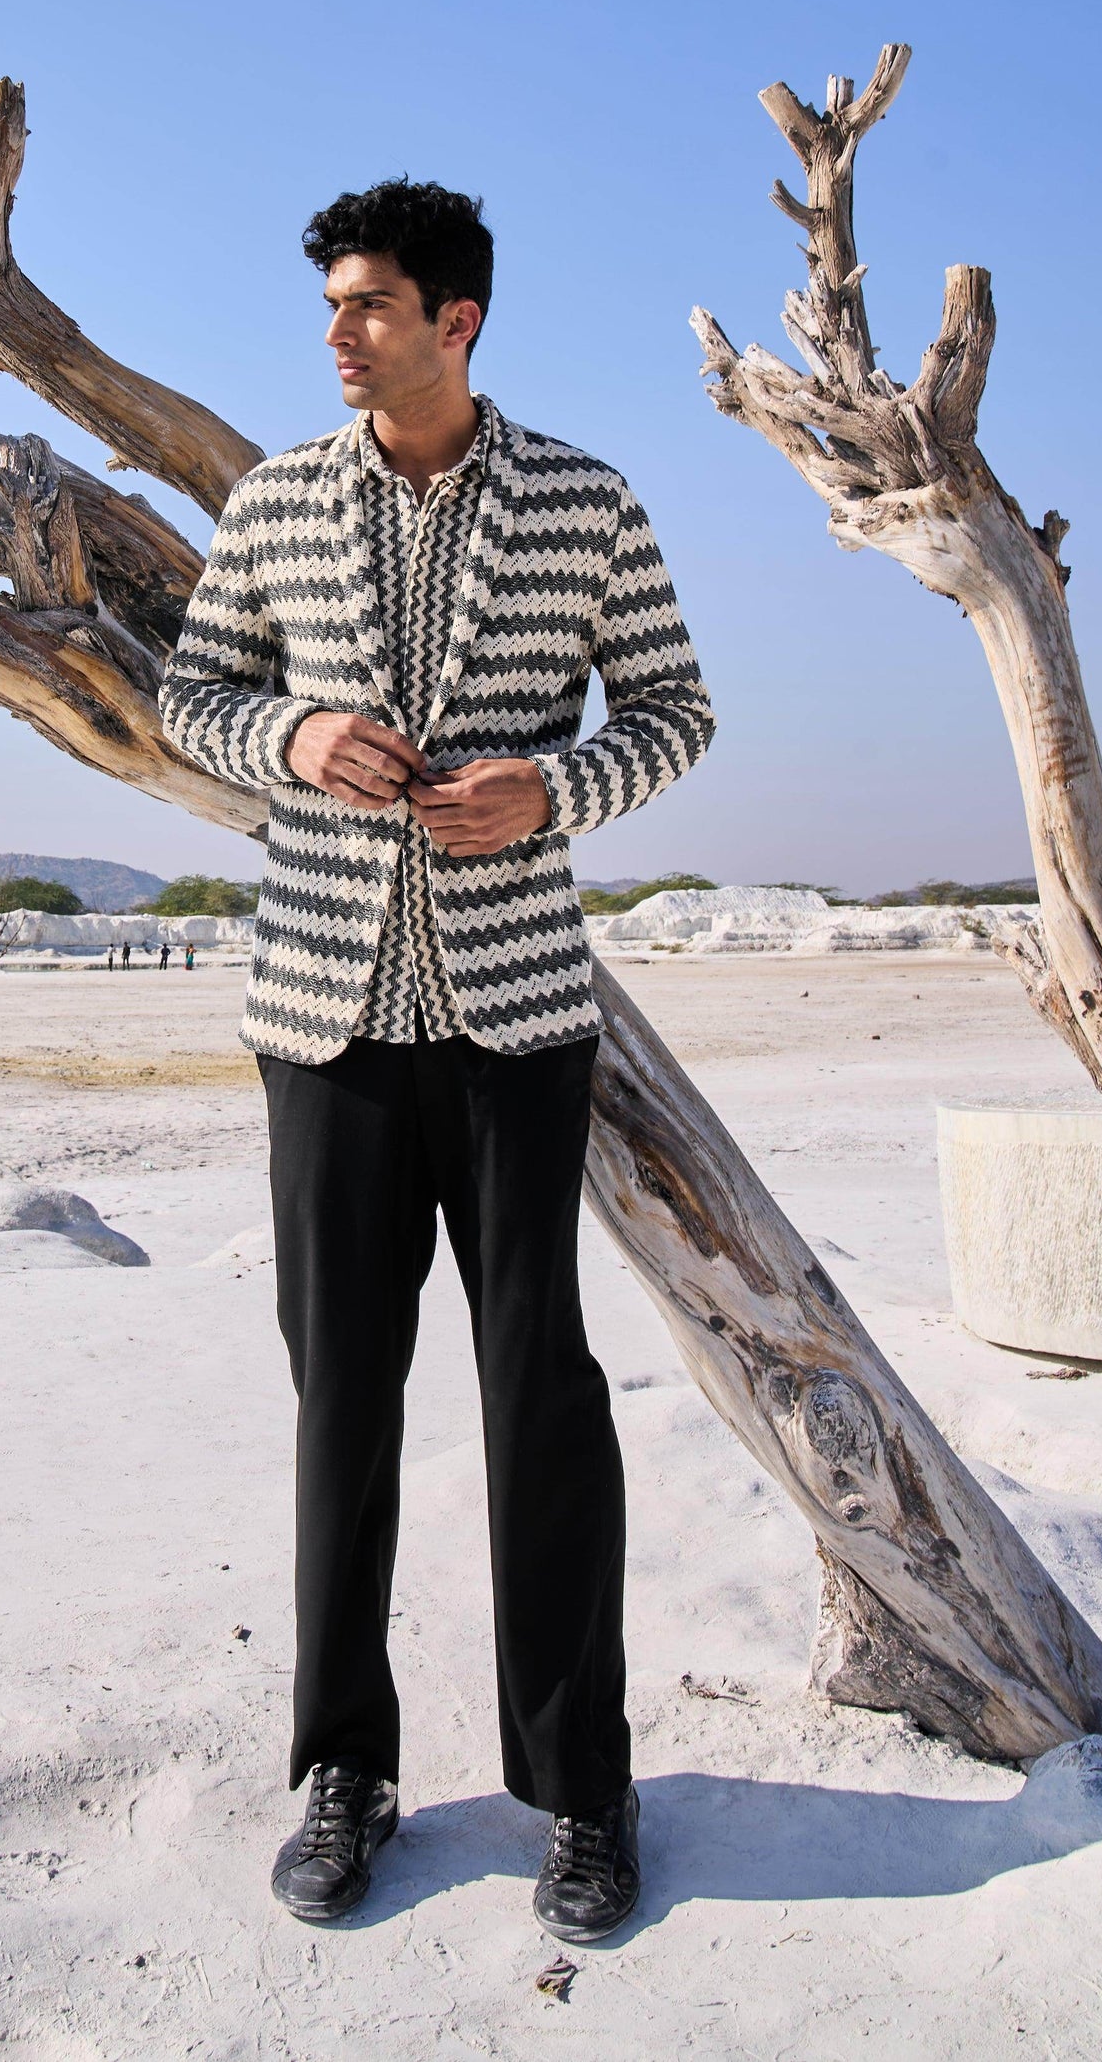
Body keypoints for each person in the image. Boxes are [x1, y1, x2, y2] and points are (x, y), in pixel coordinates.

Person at [159, 178, 713, 1945]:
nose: (339, 332)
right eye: (333, 303)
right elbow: (190, 696)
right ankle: (345, 1771)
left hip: (512, 1022)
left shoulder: (581, 500)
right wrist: (296, 732)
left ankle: (583, 1790)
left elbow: (676, 712)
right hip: (319, 1020)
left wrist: (553, 789)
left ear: (454, 320)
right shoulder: (273, 499)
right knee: (344, 1403)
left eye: (370, 305)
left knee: (539, 1397)